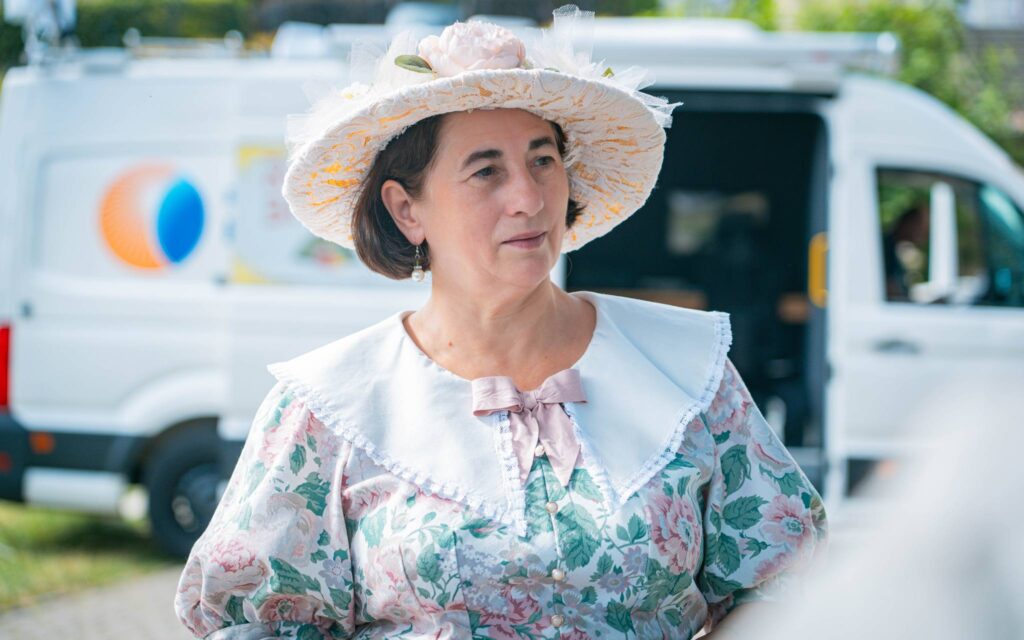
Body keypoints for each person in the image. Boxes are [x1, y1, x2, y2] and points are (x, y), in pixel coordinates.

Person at [174, 5, 828, 639]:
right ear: (406, 210)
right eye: (486, 171)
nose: (529, 197)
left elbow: (787, 589)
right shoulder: (329, 406)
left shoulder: (686, 368)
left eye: (543, 160)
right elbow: (261, 625)